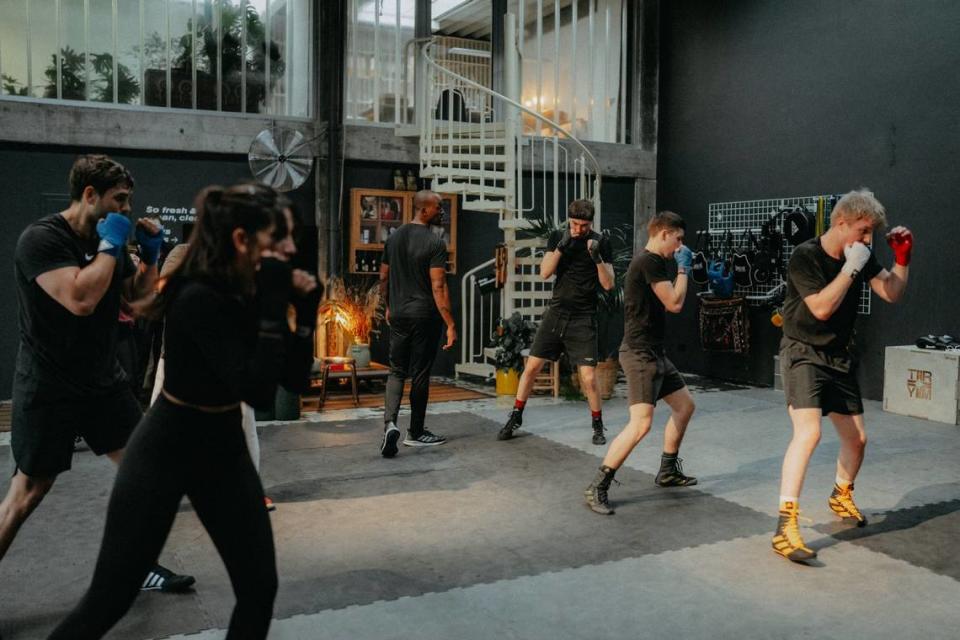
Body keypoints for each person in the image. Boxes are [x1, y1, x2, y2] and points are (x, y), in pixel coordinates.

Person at [47, 182, 319, 639]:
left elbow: (292, 381)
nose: (291, 249)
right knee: (109, 599)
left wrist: (306, 312)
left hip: (223, 450)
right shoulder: (199, 296)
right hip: (165, 451)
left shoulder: (249, 286)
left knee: (259, 589)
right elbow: (255, 390)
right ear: (241, 240)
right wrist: (276, 306)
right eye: (281, 238)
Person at [0, 154, 193, 592]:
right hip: (48, 384)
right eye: (119, 200)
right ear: (90, 195)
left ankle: (138, 564)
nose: (126, 209)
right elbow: (80, 299)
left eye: (128, 200)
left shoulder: (111, 241)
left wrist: (148, 258)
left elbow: (137, 302)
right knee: (27, 493)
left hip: (102, 382)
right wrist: (111, 248)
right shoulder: (41, 240)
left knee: (146, 472)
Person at [772, 188, 911, 563]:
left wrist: (902, 260)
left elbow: (892, 293)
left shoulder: (860, 254)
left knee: (858, 439)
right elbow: (819, 308)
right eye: (863, 231)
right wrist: (852, 267)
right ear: (841, 223)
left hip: (837, 357)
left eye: (870, 234)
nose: (867, 240)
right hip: (802, 351)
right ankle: (785, 526)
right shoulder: (806, 256)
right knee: (809, 432)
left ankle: (841, 493)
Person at [584, 211, 699, 515]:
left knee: (685, 406)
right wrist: (684, 270)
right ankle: (598, 486)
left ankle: (667, 470)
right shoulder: (648, 261)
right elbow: (674, 303)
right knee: (641, 424)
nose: (680, 245)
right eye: (678, 238)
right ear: (664, 233)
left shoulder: (657, 263)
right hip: (638, 353)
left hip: (654, 352)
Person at [497, 199, 614, 445]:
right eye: (574, 224)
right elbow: (544, 272)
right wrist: (561, 247)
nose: (579, 229)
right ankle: (516, 416)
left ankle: (598, 425)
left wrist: (597, 258)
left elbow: (608, 284)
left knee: (590, 378)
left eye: (584, 225)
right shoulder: (557, 237)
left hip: (583, 317)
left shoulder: (601, 242)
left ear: (590, 223)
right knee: (531, 368)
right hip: (556, 313)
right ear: (569, 219)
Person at [378, 189, 456, 458]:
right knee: (420, 373)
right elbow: (438, 286)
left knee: (397, 370)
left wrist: (389, 306)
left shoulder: (393, 238)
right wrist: (450, 323)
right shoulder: (435, 243)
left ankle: (389, 424)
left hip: (399, 313)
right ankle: (416, 431)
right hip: (425, 315)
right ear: (424, 209)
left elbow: (384, 278)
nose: (442, 211)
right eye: (438, 207)